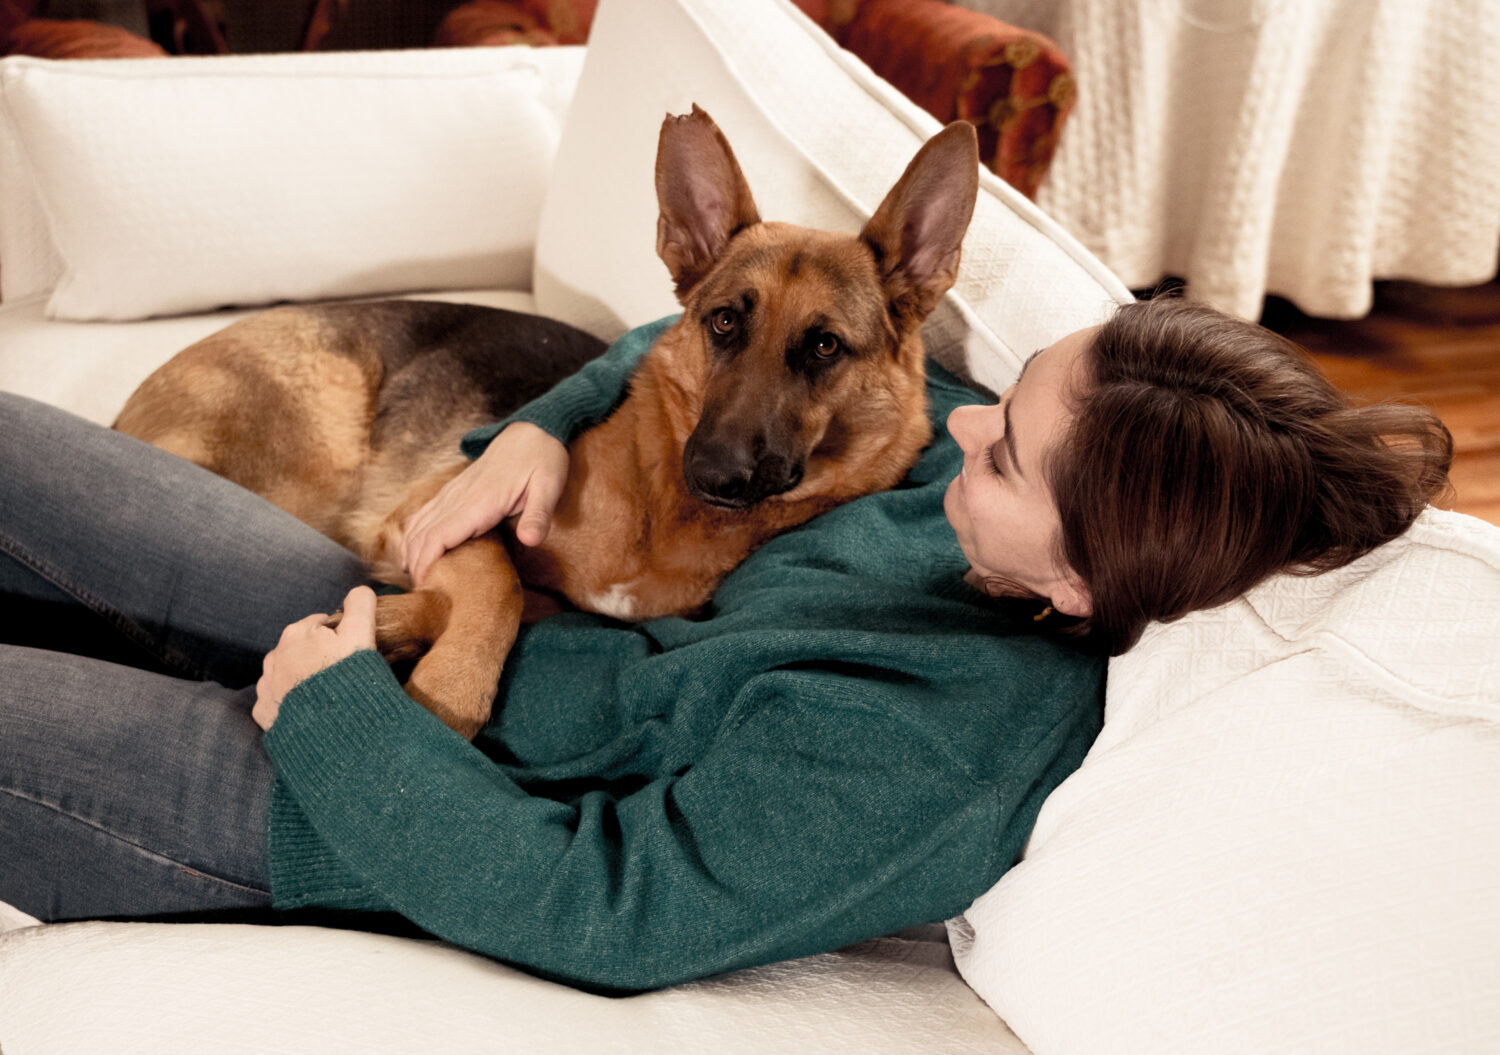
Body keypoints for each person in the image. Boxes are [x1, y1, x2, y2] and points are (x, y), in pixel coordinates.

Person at [0, 296, 1450, 992]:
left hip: (374, 805)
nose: (958, 418)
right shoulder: (954, 512)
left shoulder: (941, 741)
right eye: (1002, 398)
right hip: (414, 617)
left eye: (1004, 450)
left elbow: (609, 913)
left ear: (1083, 585)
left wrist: (335, 719)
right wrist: (541, 432)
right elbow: (713, 331)